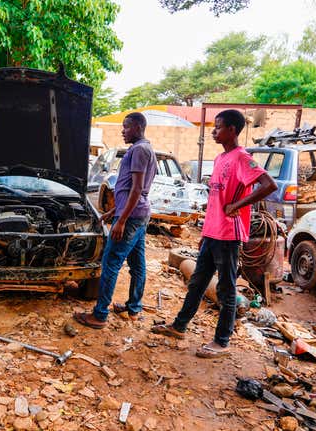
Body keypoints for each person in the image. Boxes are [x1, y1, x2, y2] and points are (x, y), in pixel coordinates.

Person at [152, 109, 278, 358]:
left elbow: (269, 185)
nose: (213, 131)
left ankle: (222, 341)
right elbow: (215, 200)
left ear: (232, 130)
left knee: (226, 289)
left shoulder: (242, 158)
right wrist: (205, 232)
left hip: (228, 236)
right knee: (197, 283)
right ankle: (179, 326)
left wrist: (238, 205)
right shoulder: (221, 158)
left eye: (218, 127)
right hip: (212, 234)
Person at [73, 112, 157, 328]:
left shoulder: (138, 150)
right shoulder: (147, 148)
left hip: (131, 217)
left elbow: (137, 188)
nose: (123, 130)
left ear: (138, 127)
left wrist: (121, 220)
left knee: (110, 263)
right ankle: (133, 307)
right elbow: (132, 188)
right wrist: (113, 213)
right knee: (138, 264)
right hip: (139, 214)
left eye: (126, 126)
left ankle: (99, 315)